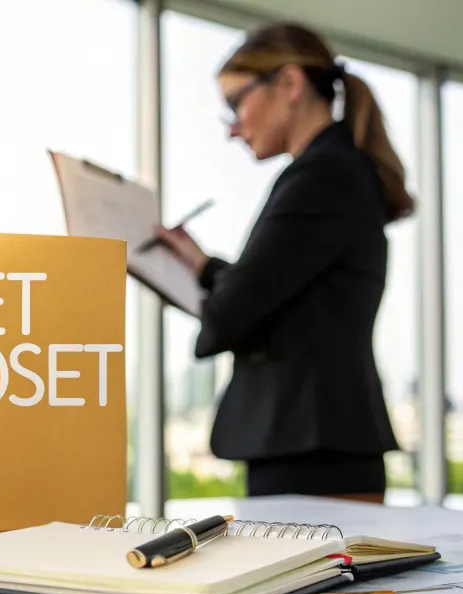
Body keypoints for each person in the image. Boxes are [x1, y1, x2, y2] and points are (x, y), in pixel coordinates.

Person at [153, 22, 414, 503]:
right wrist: (201, 264)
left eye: (235, 103)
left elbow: (237, 309)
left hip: (309, 447)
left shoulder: (321, 176)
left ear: (290, 84)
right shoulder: (338, 171)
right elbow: (282, 289)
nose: (232, 126)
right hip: (320, 441)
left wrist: (213, 295)